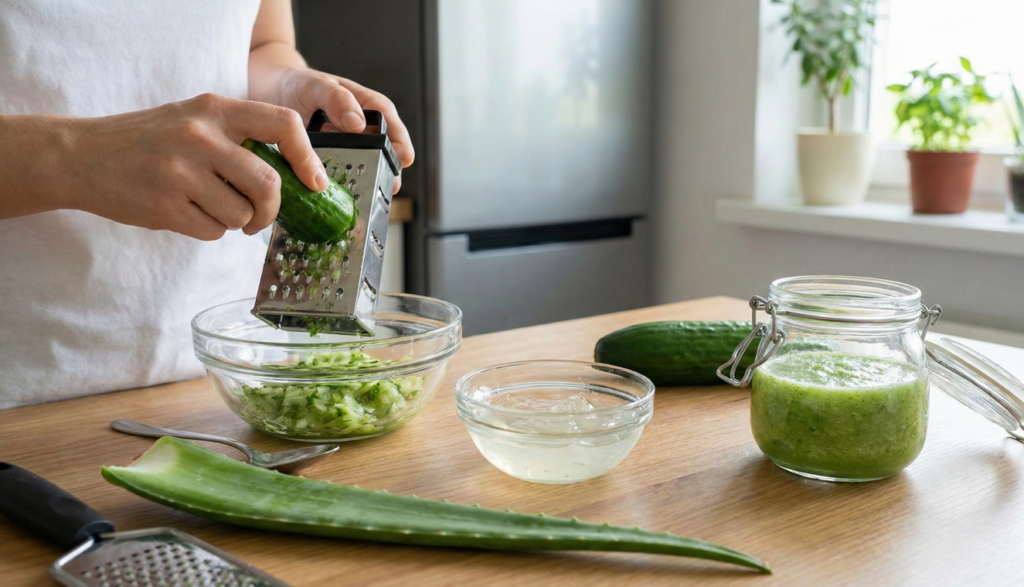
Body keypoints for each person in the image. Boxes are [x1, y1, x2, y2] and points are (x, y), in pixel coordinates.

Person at [0, 0, 414, 409]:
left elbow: (263, 43)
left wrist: (288, 84)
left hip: (243, 370)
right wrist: (76, 158)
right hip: (27, 386)